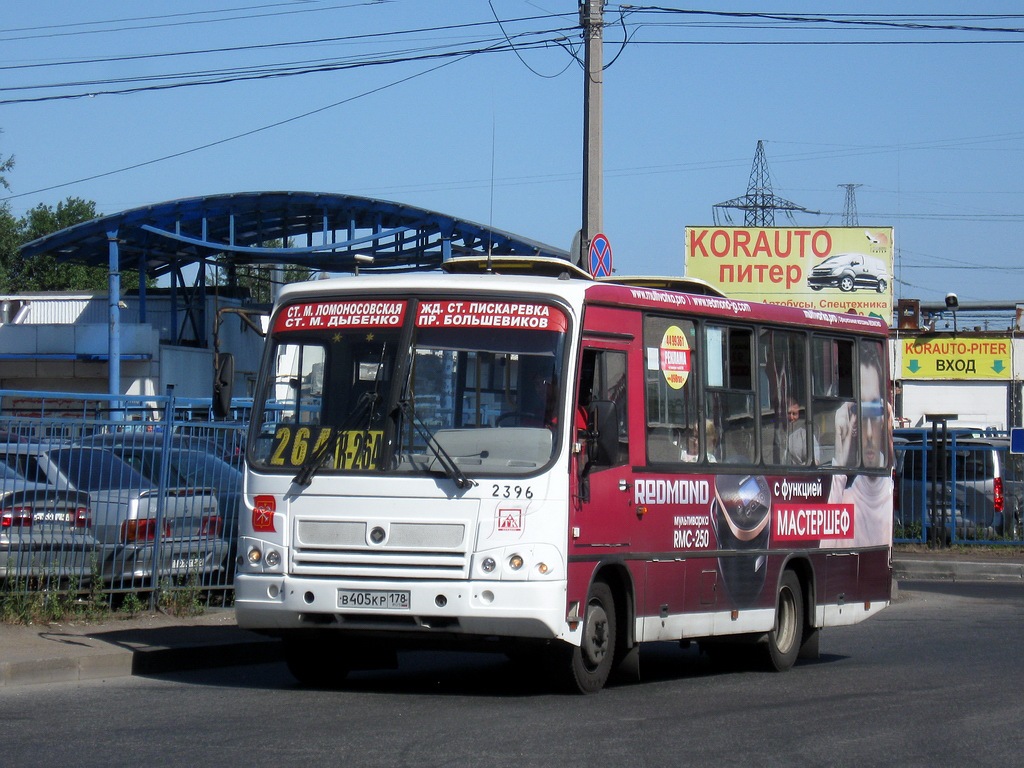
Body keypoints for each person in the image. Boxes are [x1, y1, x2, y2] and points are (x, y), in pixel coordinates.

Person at [824, 343, 892, 549]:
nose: (869, 433)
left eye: (873, 410)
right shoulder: (845, 499)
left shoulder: (889, 494)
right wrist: (840, 445)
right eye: (861, 413)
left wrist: (889, 439)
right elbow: (825, 553)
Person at [786, 397, 820, 464]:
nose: (791, 417)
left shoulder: (805, 434)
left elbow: (814, 461)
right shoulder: (776, 432)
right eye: (788, 413)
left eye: (794, 414)